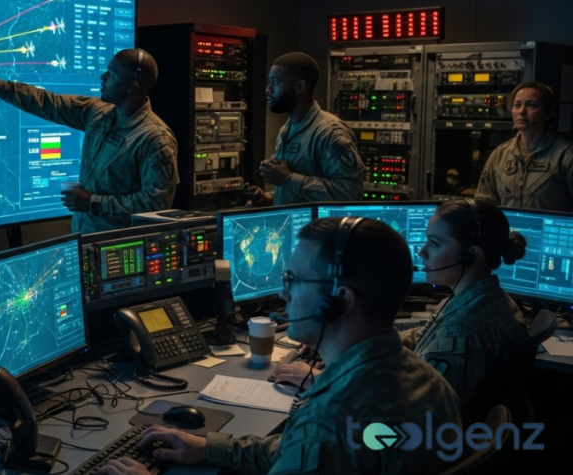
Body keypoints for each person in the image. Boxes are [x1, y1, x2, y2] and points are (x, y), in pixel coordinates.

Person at [100, 217, 461, 475]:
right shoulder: (429, 382)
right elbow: (303, 454)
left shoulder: (329, 422)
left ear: (339, 300)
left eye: (293, 280)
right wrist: (212, 447)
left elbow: (316, 448)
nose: (282, 293)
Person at [274, 199, 528, 417]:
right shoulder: (480, 298)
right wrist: (351, 347)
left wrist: (320, 379)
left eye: (435, 243)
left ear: (470, 255)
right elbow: (422, 337)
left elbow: (412, 408)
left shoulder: (464, 329)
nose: (421, 252)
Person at [0, 49, 177, 234]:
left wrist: (94, 203)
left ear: (131, 87)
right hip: (83, 235)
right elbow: (47, 102)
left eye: (111, 74)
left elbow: (157, 203)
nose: (102, 78)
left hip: (118, 248)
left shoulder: (154, 139)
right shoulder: (98, 112)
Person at [248, 52, 364, 207]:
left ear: (300, 86)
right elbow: (296, 188)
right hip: (294, 228)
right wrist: (270, 198)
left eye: (275, 82)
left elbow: (350, 193)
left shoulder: (330, 133)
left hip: (320, 230)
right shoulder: (287, 129)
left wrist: (288, 179)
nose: (268, 89)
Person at [476, 81, 573, 211]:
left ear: (548, 113)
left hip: (549, 230)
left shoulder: (566, 156)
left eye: (531, 105)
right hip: (507, 231)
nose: (521, 111)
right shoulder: (499, 155)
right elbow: (484, 205)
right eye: (517, 105)